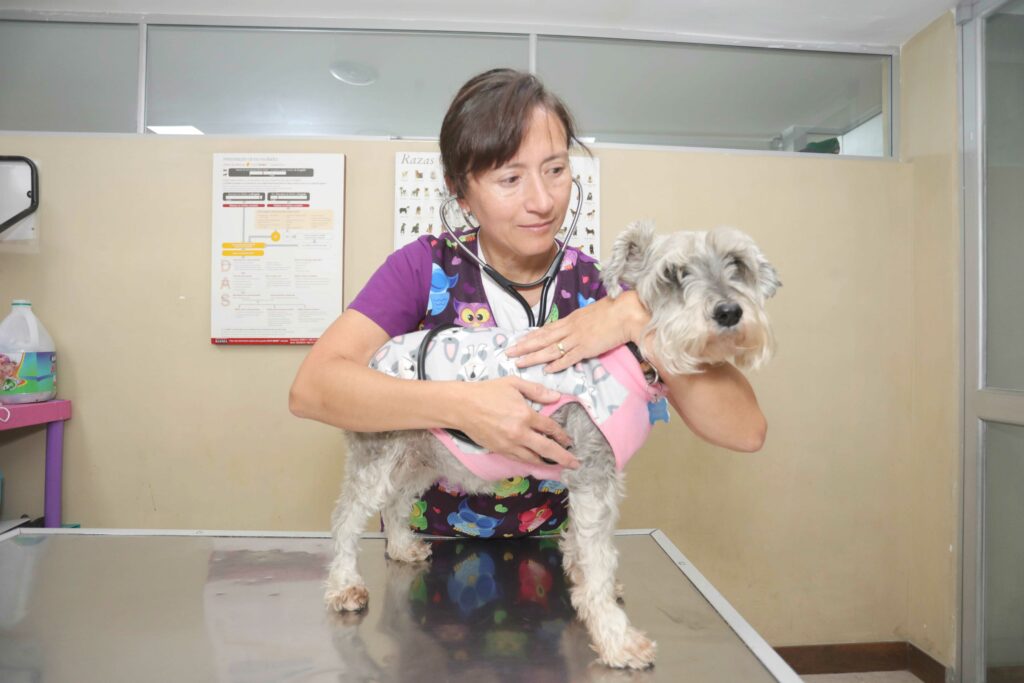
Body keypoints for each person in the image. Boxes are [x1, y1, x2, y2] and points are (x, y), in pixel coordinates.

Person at [289, 68, 766, 538]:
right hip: (427, 553)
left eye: (556, 170)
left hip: (552, 560)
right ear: (461, 191)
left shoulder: (595, 286)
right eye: (509, 179)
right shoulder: (422, 270)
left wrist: (634, 316)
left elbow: (746, 432)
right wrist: (463, 407)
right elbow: (313, 389)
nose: (542, 200)